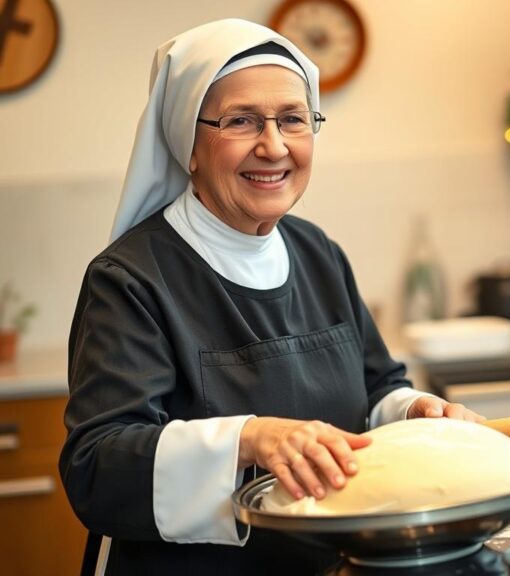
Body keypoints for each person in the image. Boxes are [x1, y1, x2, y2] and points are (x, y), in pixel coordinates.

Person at [59, 18, 484, 575]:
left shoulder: (317, 252)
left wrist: (415, 412)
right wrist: (250, 438)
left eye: (293, 119)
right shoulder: (131, 280)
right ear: (188, 144)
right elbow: (98, 467)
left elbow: (377, 387)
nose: (274, 146)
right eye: (241, 121)